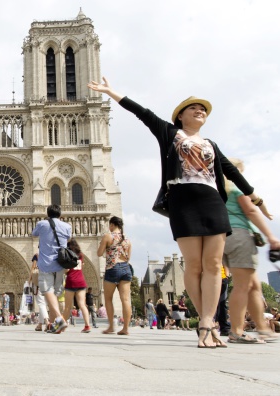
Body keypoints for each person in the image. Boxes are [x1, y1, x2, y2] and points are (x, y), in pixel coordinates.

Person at [88, 78, 269, 348]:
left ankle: (208, 323)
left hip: (212, 203)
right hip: (183, 202)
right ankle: (207, 324)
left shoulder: (210, 143)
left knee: (213, 266)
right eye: (193, 108)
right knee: (194, 266)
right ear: (180, 116)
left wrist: (255, 197)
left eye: (203, 109)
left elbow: (229, 171)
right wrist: (110, 92)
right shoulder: (170, 134)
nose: (200, 111)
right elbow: (142, 113)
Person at [223, 158, 280, 344]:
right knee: (242, 286)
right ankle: (237, 330)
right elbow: (251, 211)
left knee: (253, 285)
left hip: (222, 238)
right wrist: (271, 237)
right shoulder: (236, 189)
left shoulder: (217, 191)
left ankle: (263, 328)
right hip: (240, 235)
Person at [31, 204, 71, 334]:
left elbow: (34, 234)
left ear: (48, 214)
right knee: (56, 293)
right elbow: (68, 238)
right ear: (60, 215)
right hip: (60, 264)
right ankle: (54, 325)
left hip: (46, 263)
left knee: (47, 291)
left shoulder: (42, 224)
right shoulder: (67, 226)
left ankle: (60, 320)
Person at [97, 216, 132, 335]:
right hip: (126, 268)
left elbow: (99, 253)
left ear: (112, 225)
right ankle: (126, 328)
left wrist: (106, 249)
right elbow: (128, 257)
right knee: (126, 299)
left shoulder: (108, 236)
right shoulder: (127, 239)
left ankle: (111, 326)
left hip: (113, 267)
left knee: (108, 298)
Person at [61, 239, 91, 333]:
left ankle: (62, 325)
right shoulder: (80, 255)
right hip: (81, 281)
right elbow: (82, 265)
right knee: (82, 305)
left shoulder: (68, 255)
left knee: (67, 306)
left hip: (71, 281)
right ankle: (87, 326)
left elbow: (66, 270)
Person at [31, 253, 49, 331]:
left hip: (38, 282)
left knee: (41, 303)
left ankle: (47, 322)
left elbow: (33, 268)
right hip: (48, 282)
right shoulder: (49, 255)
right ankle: (40, 324)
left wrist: (29, 280)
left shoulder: (37, 256)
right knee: (44, 304)